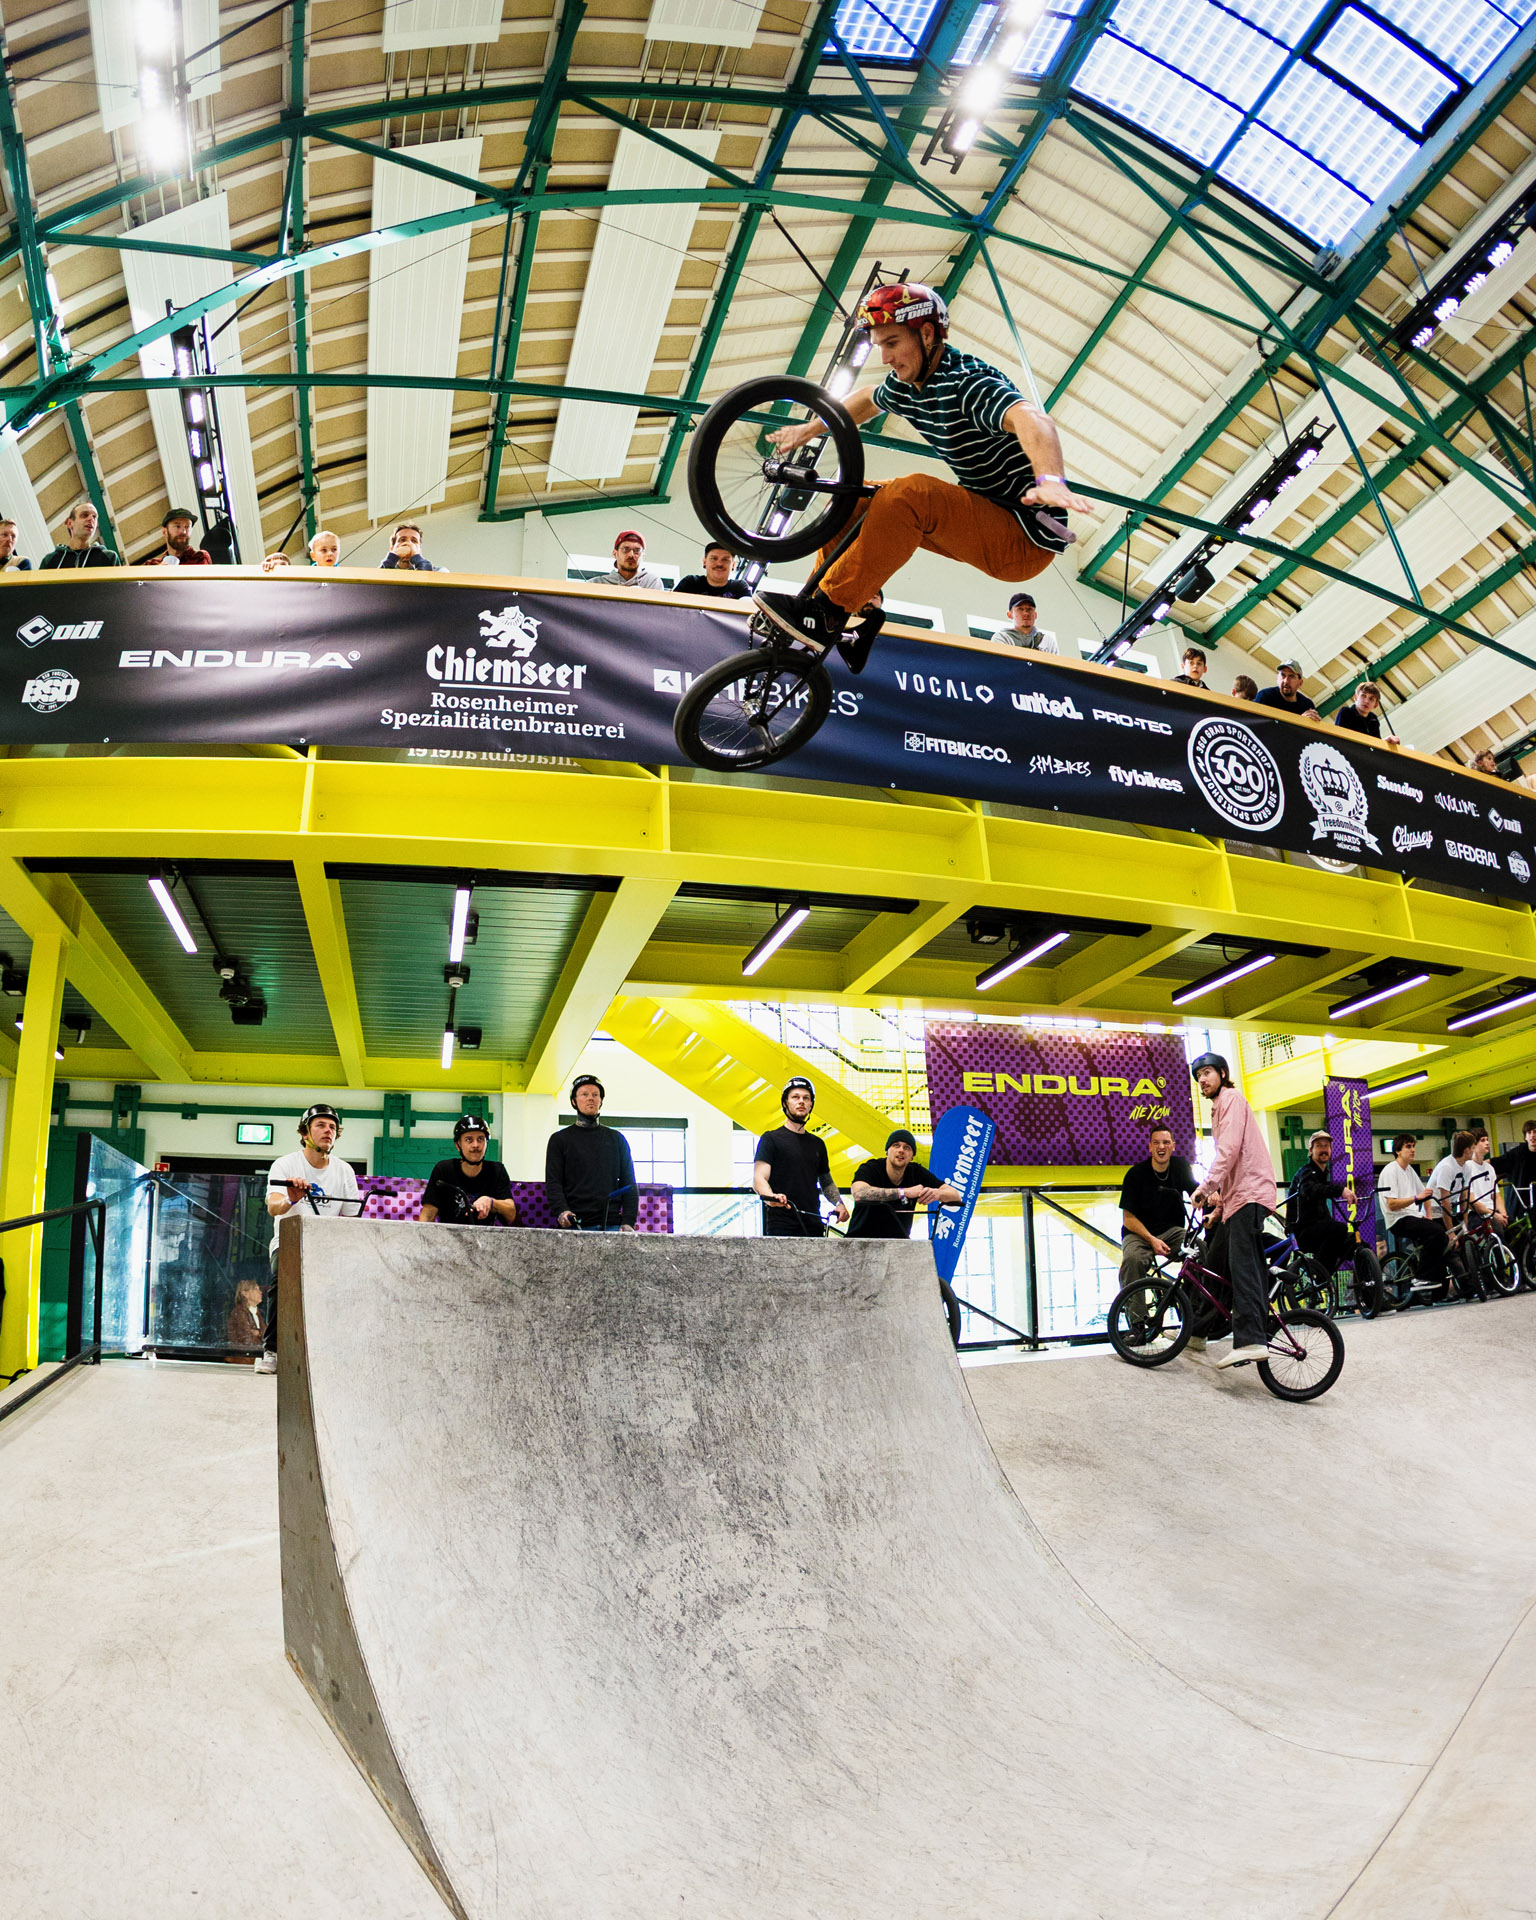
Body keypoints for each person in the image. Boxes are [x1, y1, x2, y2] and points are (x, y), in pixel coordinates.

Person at [751, 281, 1089, 667]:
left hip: (1025, 538)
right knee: (854, 497)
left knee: (910, 496)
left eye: (892, 343)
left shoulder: (967, 383)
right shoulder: (908, 385)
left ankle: (827, 613)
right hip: (985, 513)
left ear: (927, 333)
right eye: (879, 346)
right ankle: (831, 613)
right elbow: (866, 399)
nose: (885, 358)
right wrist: (811, 429)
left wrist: (1050, 480)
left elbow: (1034, 420)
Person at [1189, 1052, 1276, 1368]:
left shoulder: (1231, 1099)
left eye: (1207, 1072)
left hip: (1250, 1197)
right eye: (1198, 1076)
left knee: (1243, 1267)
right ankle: (1197, 1332)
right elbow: (1235, 1165)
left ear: (1223, 1074)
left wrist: (1205, 1188)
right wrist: (1219, 1208)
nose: (1202, 1080)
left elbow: (1228, 1152)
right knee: (1214, 1265)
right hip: (1236, 1200)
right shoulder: (1218, 1107)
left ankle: (1252, 1339)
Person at [261, 1104, 361, 1374]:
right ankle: (272, 1351)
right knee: (283, 1282)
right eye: (320, 1125)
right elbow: (273, 1206)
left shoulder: (344, 1171)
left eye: (332, 1127)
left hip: (327, 1245)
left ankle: (330, 1352)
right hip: (290, 1242)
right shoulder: (285, 1164)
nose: (328, 1131)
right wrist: (291, 1200)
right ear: (305, 1133)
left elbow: (351, 1217)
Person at [753, 1076, 848, 1237]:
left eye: (806, 1098)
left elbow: (826, 1182)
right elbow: (759, 1178)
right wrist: (771, 1197)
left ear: (811, 1104)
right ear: (786, 1103)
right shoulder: (771, 1139)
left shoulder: (818, 1144)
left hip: (814, 1224)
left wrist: (839, 1203)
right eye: (795, 1097)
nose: (801, 1101)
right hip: (782, 1225)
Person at [544, 1074, 638, 1230]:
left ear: (601, 1100)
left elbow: (629, 1184)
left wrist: (628, 1221)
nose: (590, 1098)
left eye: (595, 1095)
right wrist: (562, 1211)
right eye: (584, 1094)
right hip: (575, 1225)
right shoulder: (559, 1140)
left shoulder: (617, 1139)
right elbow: (554, 1183)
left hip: (611, 1224)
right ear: (574, 1101)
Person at [1117, 1124, 1197, 1291]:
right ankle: (1136, 1309)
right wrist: (1151, 1240)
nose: (1161, 1147)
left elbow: (1195, 1191)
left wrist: (1209, 1195)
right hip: (1139, 1234)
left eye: (1166, 1142)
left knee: (1199, 1250)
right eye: (1156, 1143)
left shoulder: (1181, 1166)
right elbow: (1128, 1219)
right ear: (1150, 1147)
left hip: (1172, 1232)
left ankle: (1192, 1302)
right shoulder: (1135, 1174)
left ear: (1173, 1146)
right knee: (1132, 1260)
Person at [846, 1128, 960, 1238]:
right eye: (896, 1145)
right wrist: (903, 1192)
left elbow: (955, 1196)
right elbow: (859, 1193)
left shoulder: (916, 1172)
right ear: (887, 1151)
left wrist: (937, 1194)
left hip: (899, 1243)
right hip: (860, 1240)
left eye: (907, 1147)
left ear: (912, 1156)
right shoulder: (871, 1168)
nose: (901, 1150)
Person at [1376, 1134, 1447, 1295]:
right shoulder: (1390, 1171)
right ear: (1398, 1151)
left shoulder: (1409, 1170)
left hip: (1413, 1216)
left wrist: (1429, 1216)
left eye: (1413, 1146)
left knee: (1442, 1236)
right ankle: (1421, 1277)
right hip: (1398, 1219)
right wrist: (1415, 1199)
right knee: (1436, 1232)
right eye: (1408, 1146)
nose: (1413, 1150)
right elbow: (1391, 1204)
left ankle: (1439, 1291)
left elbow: (1425, 1194)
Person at [419, 1115, 517, 1225]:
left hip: (486, 1235)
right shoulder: (443, 1170)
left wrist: (491, 1202)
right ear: (458, 1145)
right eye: (469, 1139)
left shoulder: (497, 1170)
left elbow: (511, 1214)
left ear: (486, 1143)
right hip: (449, 1234)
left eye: (480, 1139)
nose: (475, 1145)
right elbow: (427, 1216)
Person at [1286, 1130, 1355, 1279]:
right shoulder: (1306, 1173)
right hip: (1301, 1231)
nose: (1323, 1149)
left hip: (1317, 1228)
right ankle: (1318, 1275)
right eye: (1319, 1146)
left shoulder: (1321, 1175)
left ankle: (1369, 1288)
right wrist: (1340, 1190)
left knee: (1354, 1243)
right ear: (1311, 1151)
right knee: (1339, 1228)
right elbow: (1310, 1190)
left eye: (1326, 1146)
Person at [39, 501, 120, 568]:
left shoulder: (108, 557)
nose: (91, 519)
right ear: (70, 523)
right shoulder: (50, 560)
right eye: (84, 515)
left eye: (94, 517)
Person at [1492, 1116, 1536, 1222]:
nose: (1532, 1135)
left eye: (1535, 1132)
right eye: (1529, 1132)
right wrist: (1474, 1164)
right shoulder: (1517, 1153)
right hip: (1521, 1204)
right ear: (1525, 1137)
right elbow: (1497, 1162)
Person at [1333, 679, 1399, 745]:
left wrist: (1386, 741)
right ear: (1356, 697)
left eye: (1371, 699)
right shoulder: (1346, 712)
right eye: (1363, 696)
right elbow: (1339, 739)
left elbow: (1376, 744)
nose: (1367, 701)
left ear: (1375, 705)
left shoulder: (1374, 720)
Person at [594, 530, 665, 590]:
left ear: (643, 556)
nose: (631, 555)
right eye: (626, 549)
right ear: (615, 553)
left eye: (637, 550)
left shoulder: (652, 584)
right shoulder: (597, 584)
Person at [674, 543, 751, 598]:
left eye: (725, 560)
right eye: (714, 558)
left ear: (733, 565)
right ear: (704, 562)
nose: (719, 564)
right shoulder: (690, 583)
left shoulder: (740, 588)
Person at [143, 507, 212, 566]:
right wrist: (157, 573)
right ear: (164, 532)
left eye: (187, 527)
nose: (183, 532)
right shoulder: (151, 564)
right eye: (177, 526)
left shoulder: (200, 557)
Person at [1254, 661, 1320, 720]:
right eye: (1283, 675)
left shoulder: (1307, 705)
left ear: (1300, 683)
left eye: (1291, 676)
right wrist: (1300, 720)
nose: (1286, 681)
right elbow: (1256, 722)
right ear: (1277, 678)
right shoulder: (1265, 696)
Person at [380, 521, 445, 571]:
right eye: (402, 540)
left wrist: (417, 558)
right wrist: (391, 558)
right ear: (392, 549)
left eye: (414, 541)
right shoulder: (378, 572)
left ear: (420, 550)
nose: (408, 544)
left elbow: (426, 580)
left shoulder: (439, 571)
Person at [226, 1276, 266, 1353]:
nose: (260, 1292)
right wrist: (260, 1334)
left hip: (255, 1356)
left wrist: (258, 1333)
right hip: (245, 1357)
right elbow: (246, 1340)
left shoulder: (257, 1313)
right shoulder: (240, 1312)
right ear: (245, 1294)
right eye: (256, 1289)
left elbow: (266, 1335)